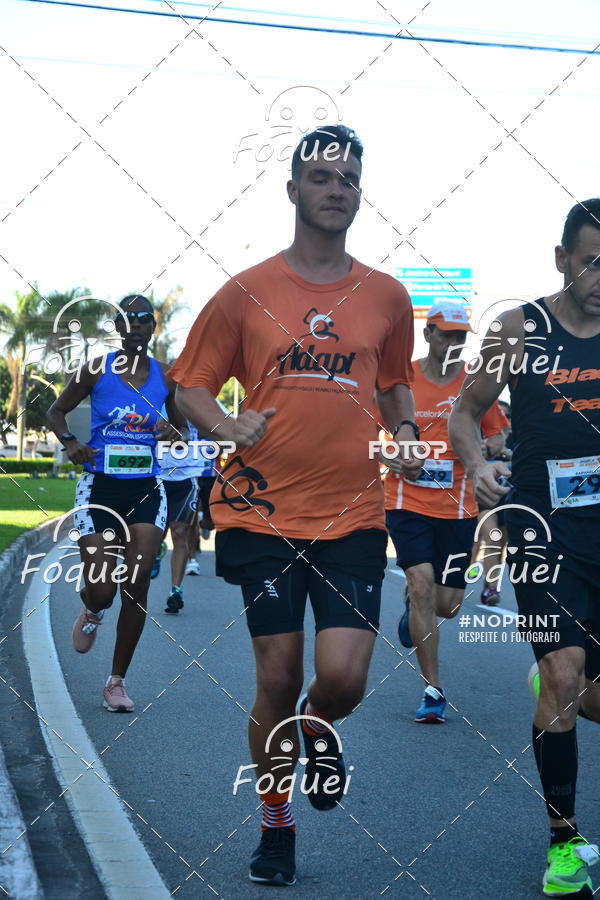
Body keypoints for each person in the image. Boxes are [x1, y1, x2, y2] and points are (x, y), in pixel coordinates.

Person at [168, 124, 421, 887]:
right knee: (275, 679)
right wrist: (225, 424)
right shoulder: (246, 291)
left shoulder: (386, 295)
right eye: (320, 176)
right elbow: (190, 384)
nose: (336, 186)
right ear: (292, 191)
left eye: (349, 176)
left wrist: (405, 426)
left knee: (340, 680)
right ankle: (275, 825)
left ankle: (317, 729)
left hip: (353, 515)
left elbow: (395, 379)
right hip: (261, 513)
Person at [449, 200, 600, 896]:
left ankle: (553, 686)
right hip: (542, 532)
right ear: (562, 259)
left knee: (577, 691)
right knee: (567, 676)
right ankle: (564, 844)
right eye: (592, 260)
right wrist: (478, 463)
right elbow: (464, 410)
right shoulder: (519, 329)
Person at [47, 295, 185, 712]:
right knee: (105, 589)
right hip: (100, 488)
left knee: (137, 584)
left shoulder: (167, 376)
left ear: (153, 327)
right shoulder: (95, 369)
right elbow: (55, 410)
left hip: (145, 488)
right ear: (118, 325)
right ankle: (93, 608)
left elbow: (180, 429)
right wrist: (71, 442)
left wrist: (170, 432)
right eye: (130, 318)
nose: (137, 324)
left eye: (146, 318)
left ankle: (116, 682)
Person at [384, 301, 507, 723]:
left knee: (449, 605)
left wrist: (492, 449)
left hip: (458, 504)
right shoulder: (404, 381)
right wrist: (392, 457)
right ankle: (433, 690)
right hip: (406, 501)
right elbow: (372, 435)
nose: (455, 342)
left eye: (461, 336)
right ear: (429, 335)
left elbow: (497, 432)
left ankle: (414, 606)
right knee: (422, 583)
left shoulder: (474, 382)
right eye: (447, 334)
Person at [470, 401, 512, 606]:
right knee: (491, 538)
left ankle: (489, 582)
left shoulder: (517, 438)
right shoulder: (481, 438)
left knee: (501, 544)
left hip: (507, 497)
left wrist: (509, 452)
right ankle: (490, 589)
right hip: (484, 497)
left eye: (506, 416)